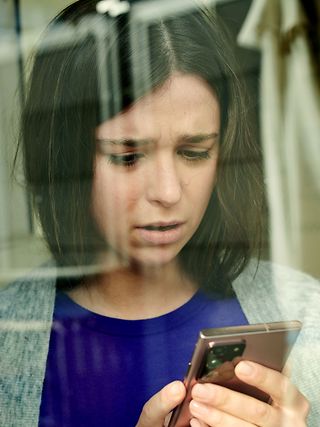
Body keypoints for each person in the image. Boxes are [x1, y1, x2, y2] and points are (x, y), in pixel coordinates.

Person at [1, 0, 319, 426]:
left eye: (194, 152)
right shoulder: (8, 340)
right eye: (128, 156)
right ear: (65, 161)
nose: (168, 192)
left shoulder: (307, 312)